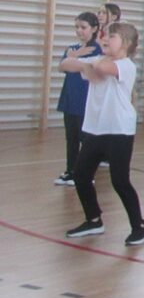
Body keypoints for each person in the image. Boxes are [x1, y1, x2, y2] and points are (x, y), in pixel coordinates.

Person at [62, 22, 144, 246]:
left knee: (120, 181)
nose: (106, 39)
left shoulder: (126, 65)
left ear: (126, 43)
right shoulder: (99, 59)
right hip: (96, 128)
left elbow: (102, 69)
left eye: (112, 37)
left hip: (119, 130)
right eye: (106, 36)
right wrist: (85, 64)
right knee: (81, 175)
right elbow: (65, 64)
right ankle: (94, 220)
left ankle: (139, 227)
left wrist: (86, 63)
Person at [54, 11, 101, 186]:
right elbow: (62, 67)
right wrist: (72, 59)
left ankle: (87, 173)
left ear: (94, 28)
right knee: (71, 137)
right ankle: (71, 171)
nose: (79, 31)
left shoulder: (97, 49)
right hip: (70, 98)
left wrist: (73, 60)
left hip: (85, 99)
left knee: (85, 138)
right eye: (77, 27)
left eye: (83, 27)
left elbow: (84, 68)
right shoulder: (72, 48)